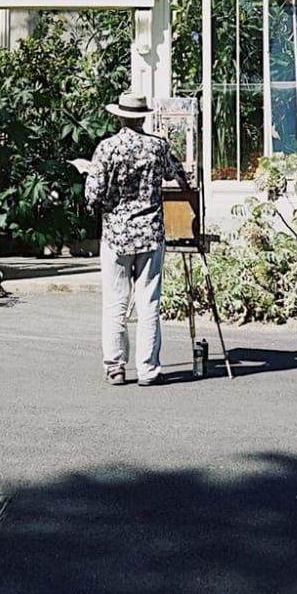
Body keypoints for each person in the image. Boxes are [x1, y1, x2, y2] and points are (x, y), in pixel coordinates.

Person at [85, 90, 188, 387]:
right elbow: (177, 176)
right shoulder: (158, 147)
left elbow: (93, 195)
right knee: (148, 302)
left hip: (116, 235)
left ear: (119, 117)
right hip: (151, 233)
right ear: (143, 117)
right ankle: (148, 369)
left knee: (115, 303)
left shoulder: (107, 148)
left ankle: (115, 367)